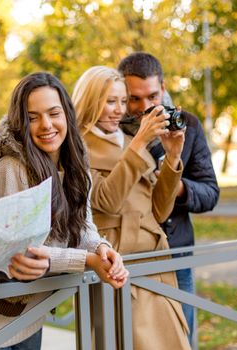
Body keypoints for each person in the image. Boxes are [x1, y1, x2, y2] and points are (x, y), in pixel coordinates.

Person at [0, 72, 129, 350]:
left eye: (53, 113)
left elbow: (83, 224)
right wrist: (88, 261)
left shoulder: (75, 166)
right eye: (33, 117)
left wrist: (101, 248)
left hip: (30, 318)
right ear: (21, 122)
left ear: (67, 114)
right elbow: (23, 254)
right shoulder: (11, 167)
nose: (46, 125)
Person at [72, 66, 190, 350]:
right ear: (90, 100)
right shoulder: (77, 146)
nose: (118, 110)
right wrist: (139, 143)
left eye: (122, 101)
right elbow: (106, 201)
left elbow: (159, 212)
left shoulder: (126, 141)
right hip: (118, 264)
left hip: (156, 262)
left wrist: (173, 156)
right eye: (110, 101)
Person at [118, 52, 220, 345]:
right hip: (125, 255)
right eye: (133, 98)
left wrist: (175, 185)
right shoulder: (110, 128)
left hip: (175, 253)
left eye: (152, 96)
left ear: (163, 88)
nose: (145, 107)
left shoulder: (187, 124)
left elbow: (210, 192)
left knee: (182, 339)